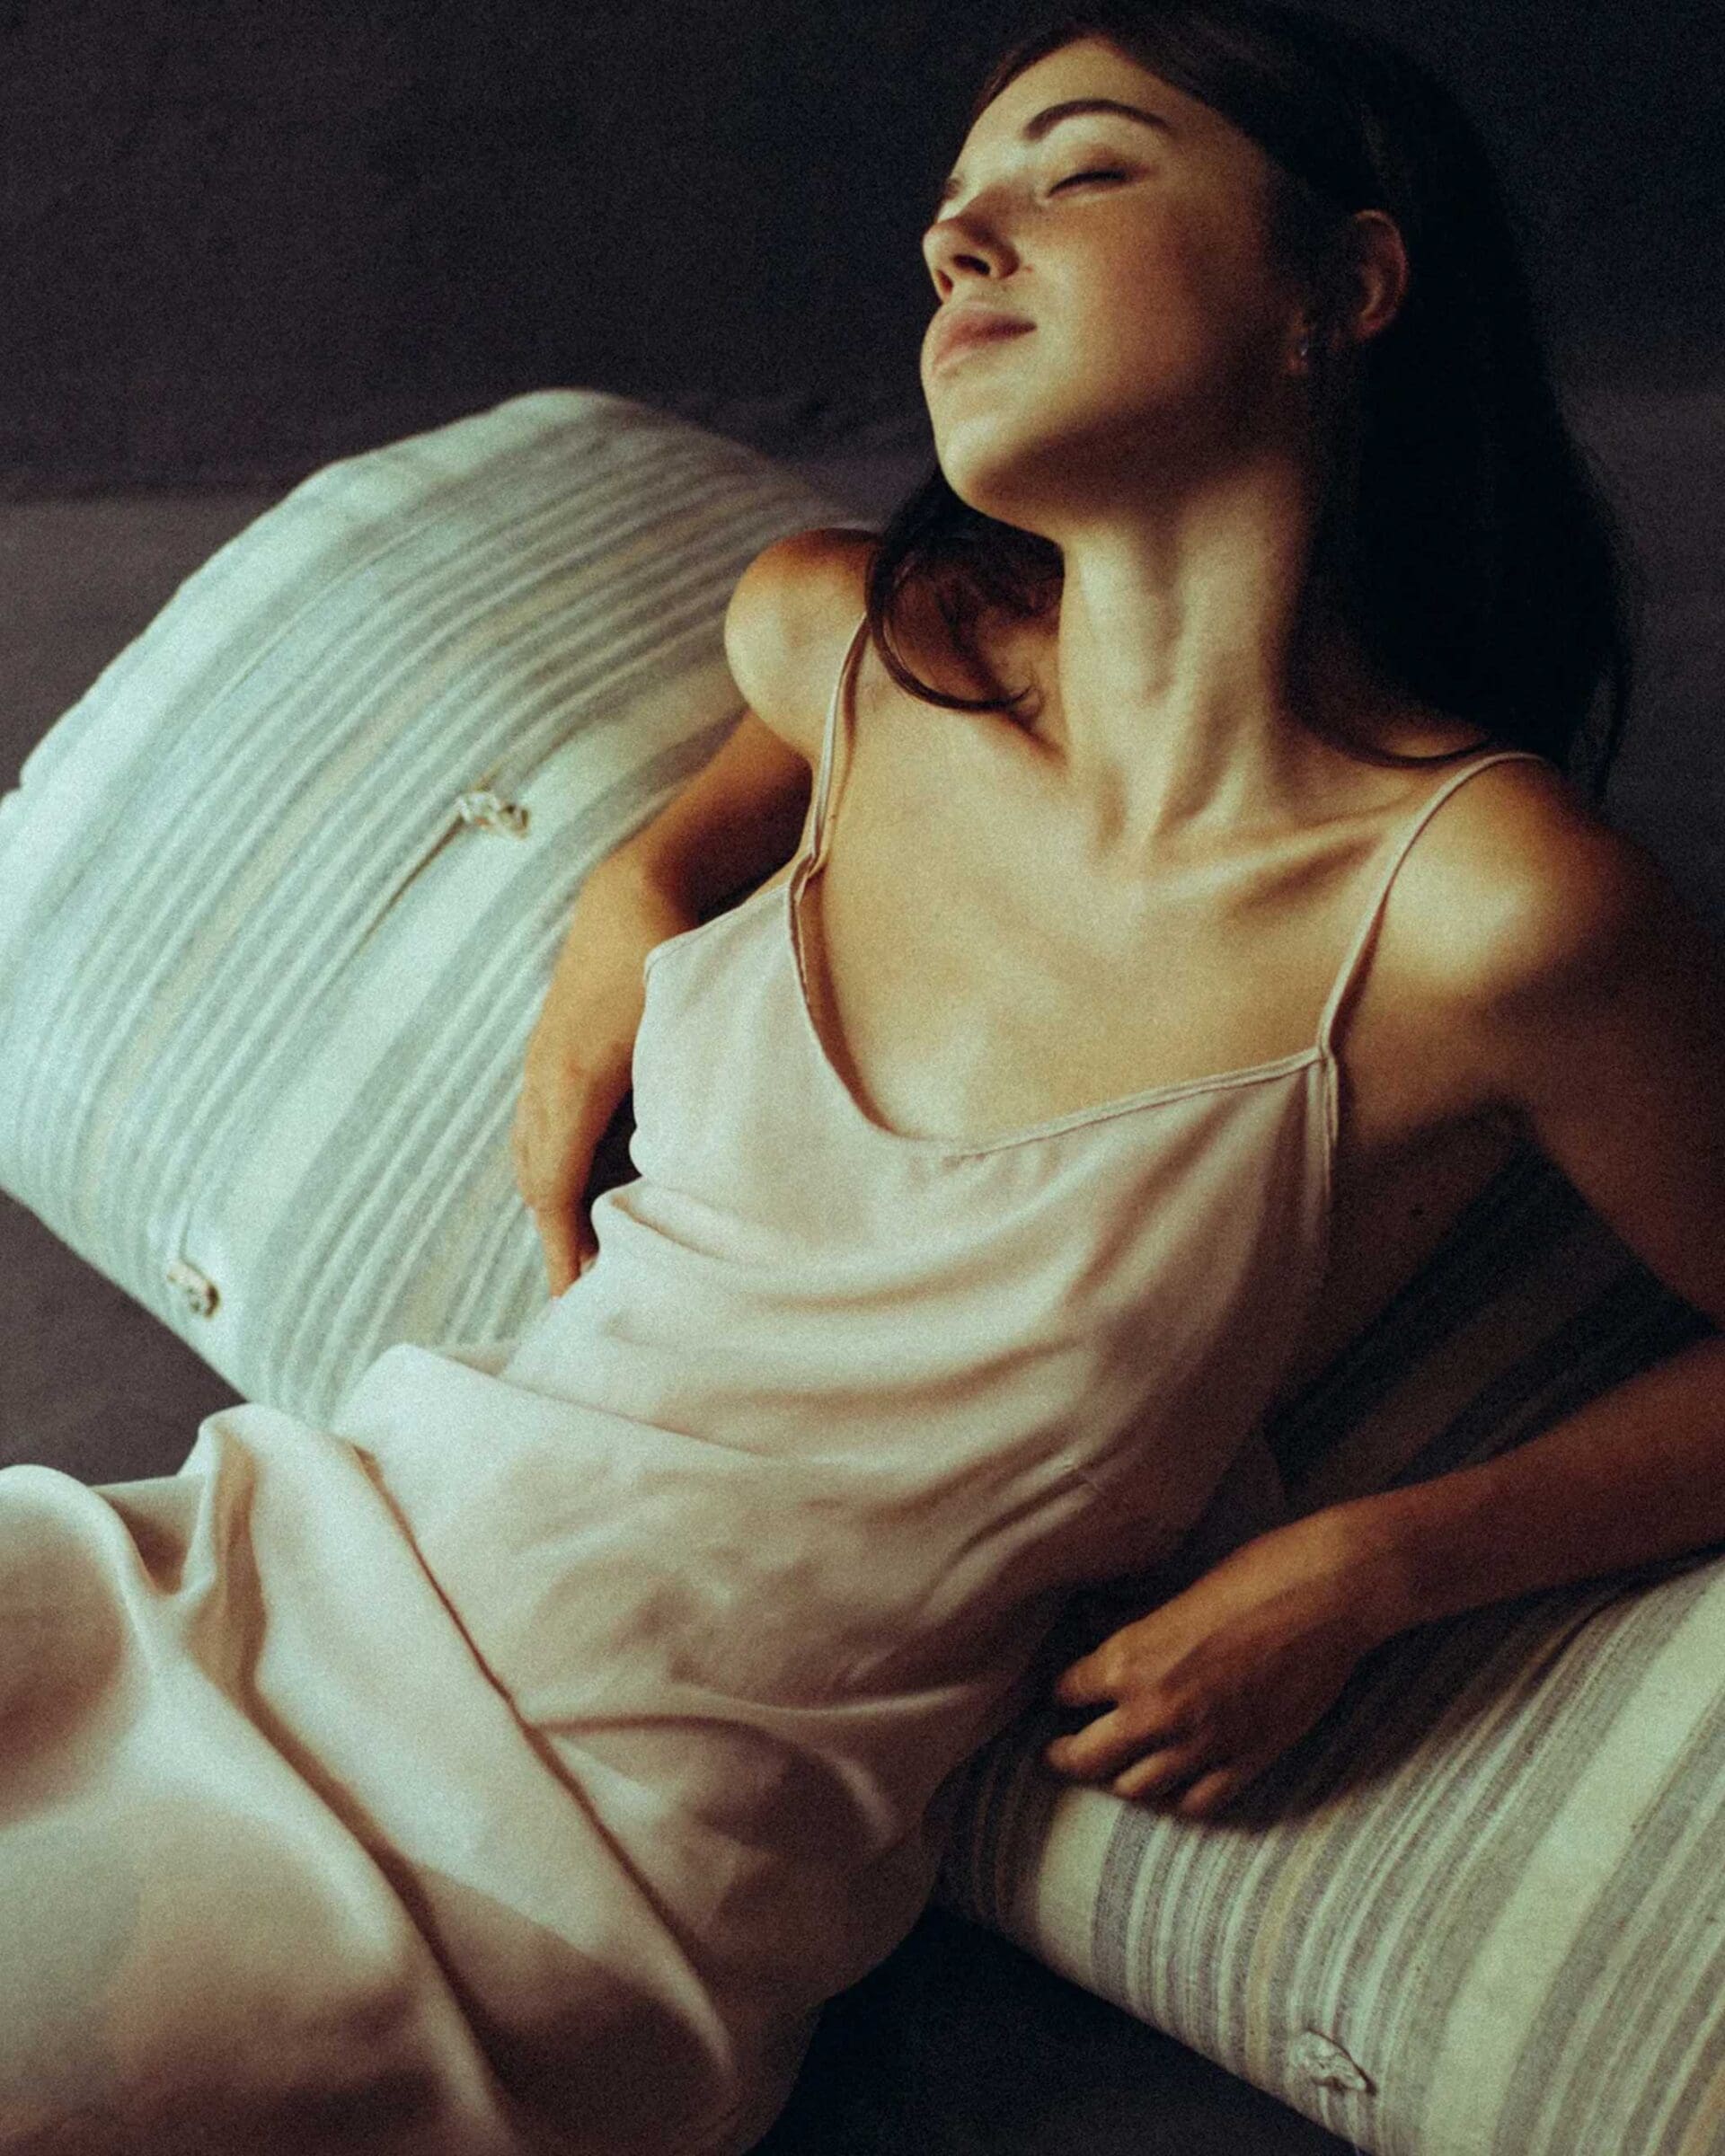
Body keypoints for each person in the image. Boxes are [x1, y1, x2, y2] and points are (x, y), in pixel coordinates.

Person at [3, 5, 1721, 2154]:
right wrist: (641, 886)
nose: (960, 242)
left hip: (550, 1870)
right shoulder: (854, 642)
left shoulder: (1489, 913)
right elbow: (734, 790)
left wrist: (1374, 1570)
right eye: (949, 211)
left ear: (1346, 285)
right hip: (259, 1552)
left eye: (1080, 171)